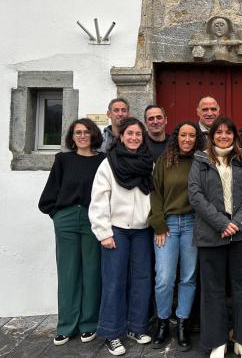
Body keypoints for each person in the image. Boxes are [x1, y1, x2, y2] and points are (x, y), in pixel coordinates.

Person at [188, 115, 242, 358]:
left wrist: (237, 223)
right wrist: (221, 223)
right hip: (211, 234)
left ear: (235, 135)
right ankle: (217, 342)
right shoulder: (200, 160)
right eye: (218, 132)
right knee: (213, 289)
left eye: (228, 132)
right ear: (211, 136)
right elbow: (195, 195)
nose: (223, 136)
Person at [89, 117, 155, 356]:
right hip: (116, 229)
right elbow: (99, 200)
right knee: (114, 280)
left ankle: (136, 327)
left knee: (142, 279)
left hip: (142, 230)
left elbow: (154, 196)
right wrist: (103, 232)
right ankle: (112, 333)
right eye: (130, 134)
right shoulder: (109, 163)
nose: (134, 138)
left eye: (138, 134)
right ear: (121, 136)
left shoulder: (148, 163)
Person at [38, 118, 105, 346]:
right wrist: (56, 214)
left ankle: (89, 324)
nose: (82, 136)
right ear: (72, 137)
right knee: (68, 273)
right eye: (78, 132)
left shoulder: (103, 160)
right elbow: (51, 190)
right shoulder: (63, 160)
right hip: (65, 218)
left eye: (86, 131)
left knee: (92, 272)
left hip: (92, 219)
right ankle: (66, 326)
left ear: (93, 134)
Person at [148, 121, 205, 352]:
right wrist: (158, 224)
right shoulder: (165, 161)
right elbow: (155, 193)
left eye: (192, 135)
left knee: (188, 277)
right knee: (164, 277)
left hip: (193, 224)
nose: (187, 139)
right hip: (168, 226)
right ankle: (163, 322)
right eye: (183, 135)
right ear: (176, 137)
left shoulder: (201, 161)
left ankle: (182, 323)